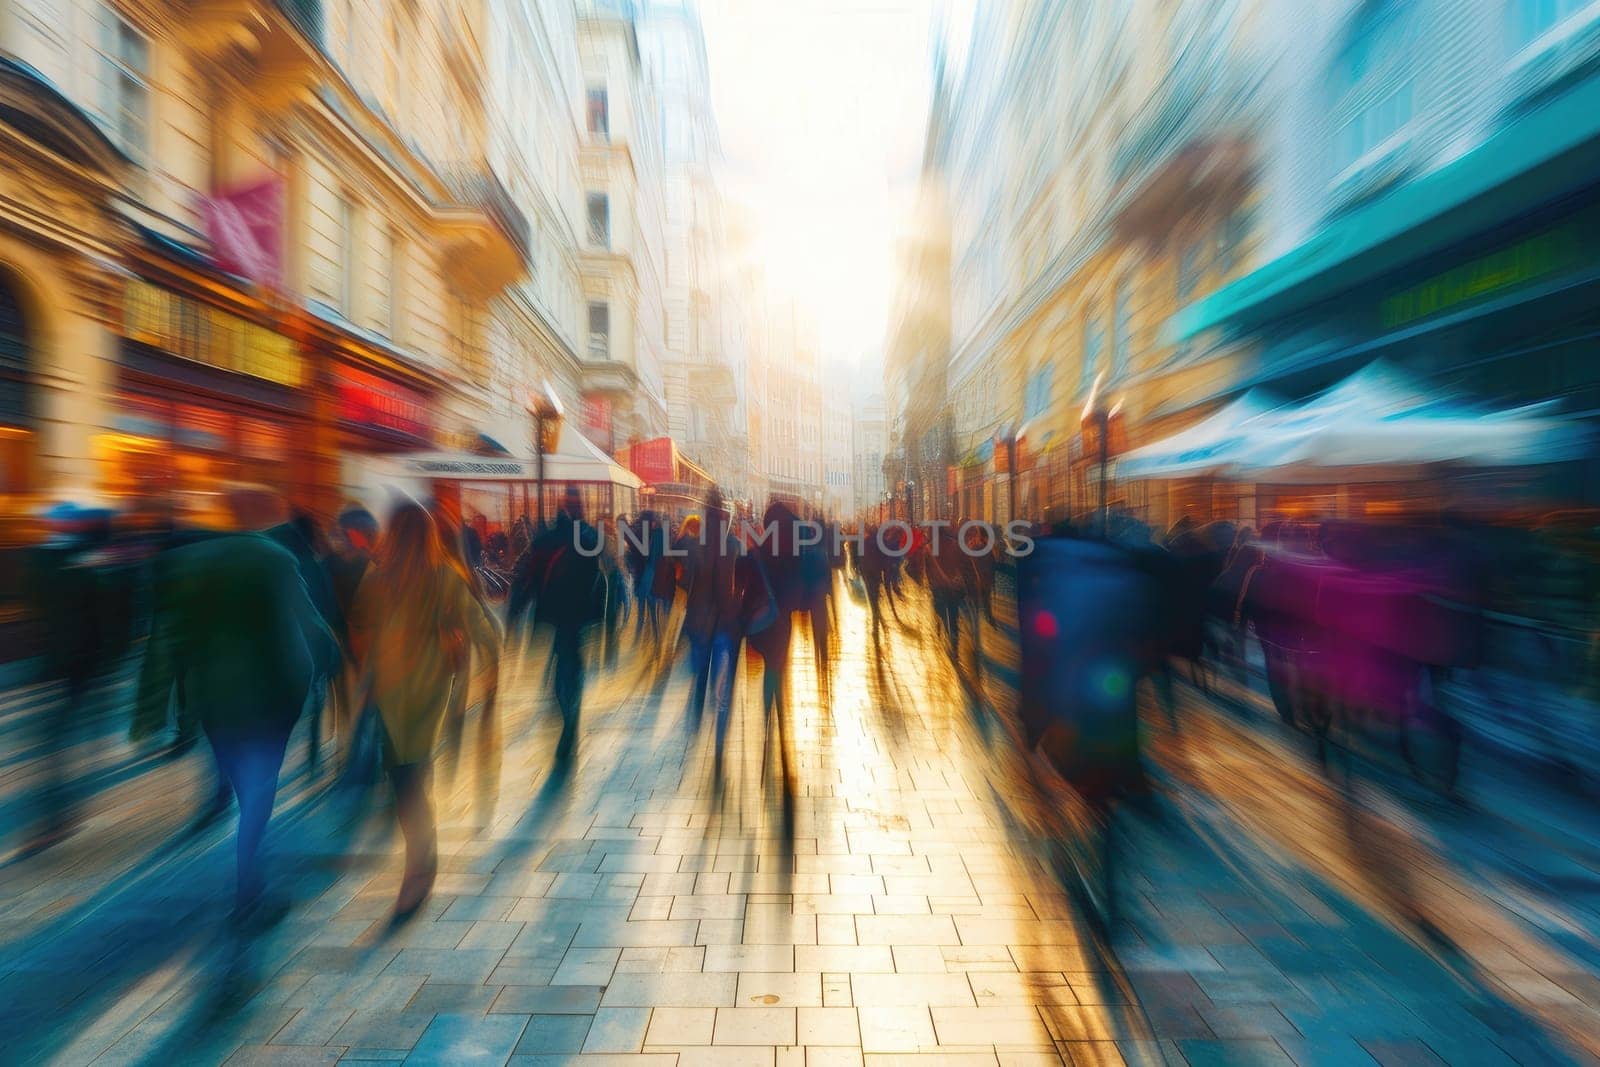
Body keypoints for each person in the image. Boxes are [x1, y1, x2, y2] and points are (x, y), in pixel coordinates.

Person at [133, 487, 339, 924]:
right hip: (270, 697)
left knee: (248, 789)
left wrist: (151, 712)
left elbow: (167, 640)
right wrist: (336, 665)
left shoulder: (189, 561)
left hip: (214, 701)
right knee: (259, 792)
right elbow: (308, 622)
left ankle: (251, 881)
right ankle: (250, 891)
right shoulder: (275, 559)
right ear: (267, 514)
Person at [350, 502, 501, 917]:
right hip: (430, 690)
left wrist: (364, 676)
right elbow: (484, 630)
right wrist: (490, 671)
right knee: (411, 772)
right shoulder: (442, 577)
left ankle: (419, 864)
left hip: (392, 692)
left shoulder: (377, 578)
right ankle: (422, 857)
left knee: (406, 776)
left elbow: (359, 630)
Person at [509, 487, 605, 763]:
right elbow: (599, 581)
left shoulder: (547, 538)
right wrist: (602, 620)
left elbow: (528, 577)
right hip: (578, 614)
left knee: (561, 661)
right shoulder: (590, 538)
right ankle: (570, 716)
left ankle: (566, 712)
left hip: (555, 612)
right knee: (572, 662)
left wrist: (516, 612)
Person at [678, 489, 749, 772]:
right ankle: (720, 737)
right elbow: (742, 582)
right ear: (725, 514)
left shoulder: (695, 546)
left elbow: (684, 585)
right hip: (725, 622)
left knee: (702, 668)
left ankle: (696, 709)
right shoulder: (733, 544)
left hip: (698, 620)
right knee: (724, 682)